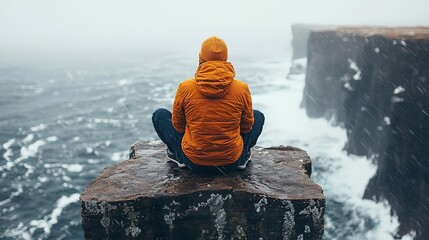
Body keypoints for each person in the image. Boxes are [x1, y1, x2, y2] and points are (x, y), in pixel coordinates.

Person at [152, 36, 264, 173]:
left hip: (194, 162)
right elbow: (246, 128)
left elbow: (178, 126)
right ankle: (243, 156)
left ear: (201, 58)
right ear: (226, 58)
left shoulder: (185, 87)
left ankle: (179, 156)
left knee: (160, 114)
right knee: (258, 115)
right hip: (231, 162)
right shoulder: (241, 88)